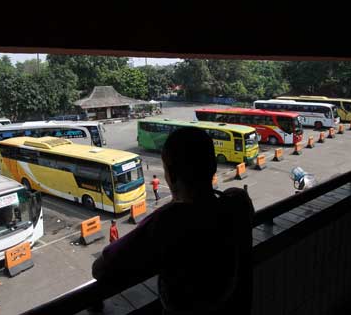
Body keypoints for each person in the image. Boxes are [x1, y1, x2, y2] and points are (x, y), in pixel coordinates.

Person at [92, 127, 254, 314]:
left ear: (171, 175)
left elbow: (102, 268)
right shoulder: (236, 204)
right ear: (214, 167)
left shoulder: (168, 221)